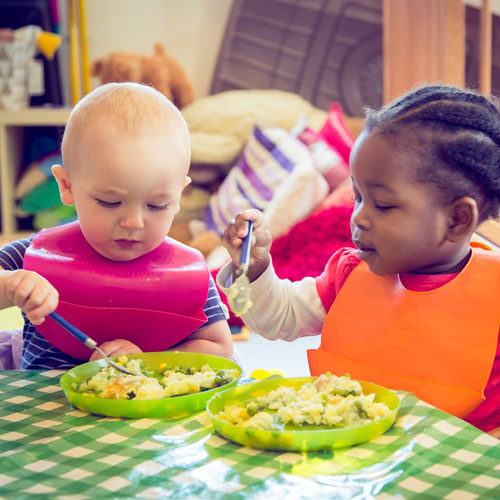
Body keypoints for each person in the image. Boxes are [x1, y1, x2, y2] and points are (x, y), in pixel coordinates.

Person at [218, 84, 500, 433]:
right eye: (357, 198)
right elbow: (281, 318)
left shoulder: (495, 296)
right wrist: (257, 267)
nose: (359, 218)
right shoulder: (350, 274)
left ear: (457, 219)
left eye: (382, 204)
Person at [0, 82, 233, 369]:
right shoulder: (33, 256)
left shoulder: (188, 273)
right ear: (67, 185)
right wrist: (9, 285)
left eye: (157, 205)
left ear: (179, 196)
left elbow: (220, 349)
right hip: (44, 411)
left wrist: (148, 361)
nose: (133, 222)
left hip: (148, 411)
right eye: (109, 202)